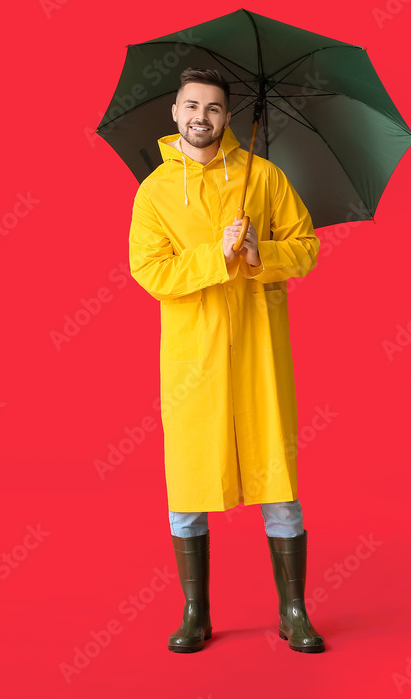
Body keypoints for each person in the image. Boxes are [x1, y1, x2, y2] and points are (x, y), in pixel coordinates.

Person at [128, 67, 325, 653]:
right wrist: (214, 256)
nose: (201, 118)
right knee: (189, 481)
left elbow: (308, 248)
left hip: (261, 348)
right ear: (174, 113)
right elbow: (150, 271)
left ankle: (294, 610)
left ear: (228, 117)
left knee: (277, 476)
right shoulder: (155, 193)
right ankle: (196, 611)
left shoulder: (264, 177)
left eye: (213, 109)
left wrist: (263, 252)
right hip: (194, 357)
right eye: (192, 106)